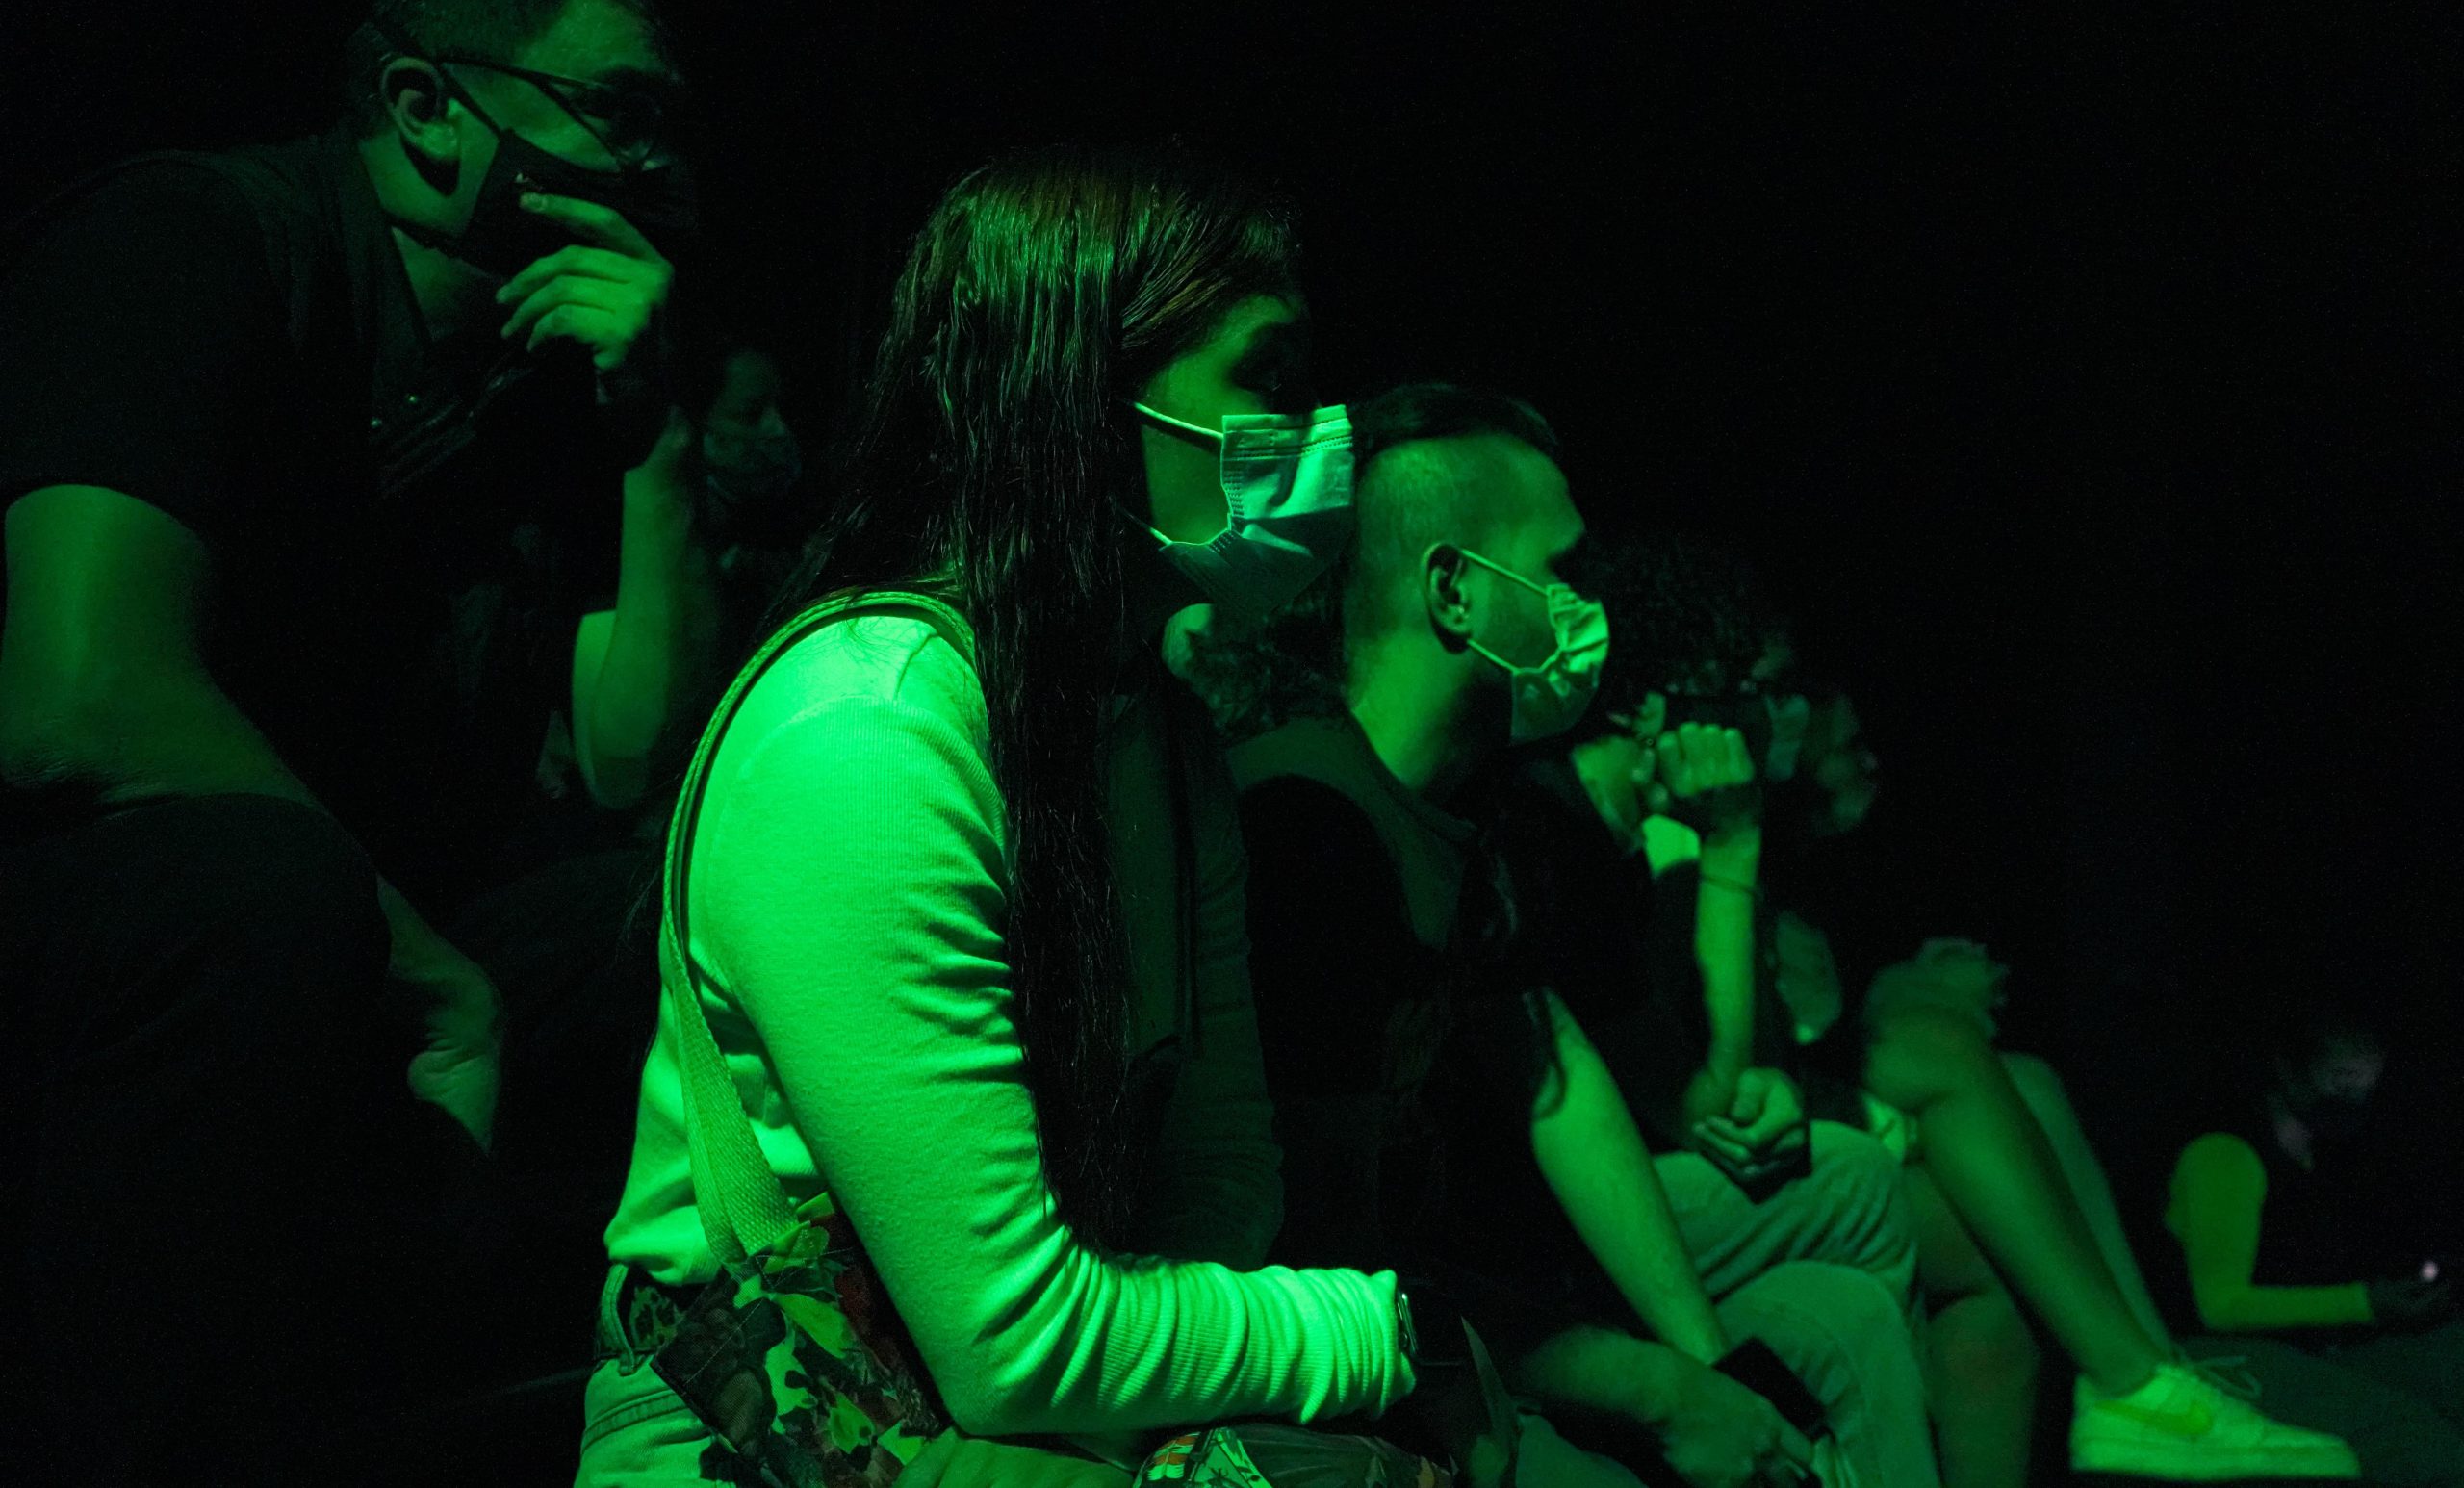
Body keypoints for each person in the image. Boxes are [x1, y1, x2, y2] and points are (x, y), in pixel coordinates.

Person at [578, 146, 1454, 1487]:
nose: (1317, 431)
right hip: (775, 1431)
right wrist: (1388, 1333)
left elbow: (1219, 1178)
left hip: (1015, 1412)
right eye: (1268, 377)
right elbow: (1015, 1338)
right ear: (1080, 392)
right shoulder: (868, 732)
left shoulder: (1160, 738)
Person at [0, 0, 710, 1481]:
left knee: (673, 911)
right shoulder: (191, 240)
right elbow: (76, 700)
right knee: (268, 894)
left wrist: (656, 441)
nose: (652, 165)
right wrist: (436, 979)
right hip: (108, 911)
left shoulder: (536, 390)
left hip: (354, 921)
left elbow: (632, 763)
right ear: (424, 107)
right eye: (616, 112)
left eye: (669, 125)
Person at [1227, 384, 1937, 1488]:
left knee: (1841, 1319)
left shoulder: (1459, 808)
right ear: (1454, 590)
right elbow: (1335, 1246)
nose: (1585, 608)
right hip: (1360, 1342)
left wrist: (1716, 1368)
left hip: (1467, 1295)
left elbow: (1555, 1085)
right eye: (1559, 571)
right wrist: (1660, 1391)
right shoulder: (1313, 824)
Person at [1552, 531, 2362, 1485]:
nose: (1780, 716)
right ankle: (2138, 1382)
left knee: (1996, 1125)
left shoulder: (1679, 843)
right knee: (1915, 1107)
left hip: (1698, 1146)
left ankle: (2148, 1380)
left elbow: (1718, 1079)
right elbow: (1703, 1099)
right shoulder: (1606, 838)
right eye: (1754, 691)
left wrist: (1738, 865)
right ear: (1658, 704)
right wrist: (1732, 851)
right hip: (1577, 1228)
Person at [2158, 1000, 2464, 1485]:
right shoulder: (2226, 1155)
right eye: (2341, 1080)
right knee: (2418, 1445)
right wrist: (2366, 1304)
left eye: (2368, 1084)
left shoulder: (2329, 1159)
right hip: (2222, 1360)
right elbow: (2219, 1306)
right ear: (2288, 1070)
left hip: (2313, 1354)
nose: (2355, 1097)